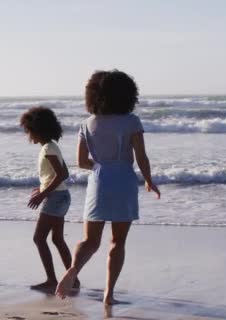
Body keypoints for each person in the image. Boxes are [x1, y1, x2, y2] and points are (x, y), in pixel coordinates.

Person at [55, 70, 160, 305]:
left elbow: (82, 162)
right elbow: (141, 156)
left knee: (90, 240)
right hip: (124, 179)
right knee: (117, 242)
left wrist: (101, 166)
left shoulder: (87, 123)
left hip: (99, 180)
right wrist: (149, 180)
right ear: (127, 94)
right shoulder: (131, 121)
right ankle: (108, 294)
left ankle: (72, 270)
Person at [20, 106, 79, 293]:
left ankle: (52, 280)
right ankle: (74, 280)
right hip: (61, 195)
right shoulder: (52, 146)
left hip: (55, 197)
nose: (28, 135)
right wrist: (42, 187)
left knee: (39, 238)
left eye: (29, 131)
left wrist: (42, 194)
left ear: (37, 129)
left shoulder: (48, 148)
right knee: (57, 239)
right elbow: (64, 173)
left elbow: (61, 174)